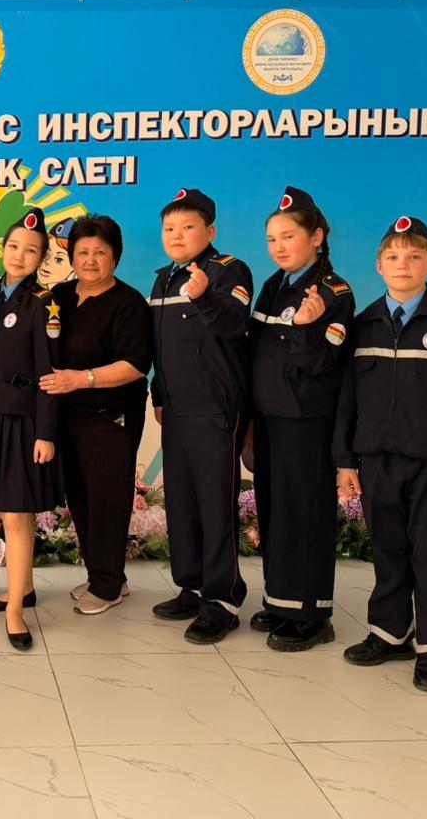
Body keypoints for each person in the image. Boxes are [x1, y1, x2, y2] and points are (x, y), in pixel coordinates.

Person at [335, 216, 427, 692]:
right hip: (377, 461)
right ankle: (390, 632)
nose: (404, 265)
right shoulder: (363, 326)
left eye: (414, 257)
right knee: (387, 551)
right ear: (378, 265)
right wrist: (346, 461)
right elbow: (347, 401)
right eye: (394, 257)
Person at [248, 187, 355, 651]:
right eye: (272, 239)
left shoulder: (332, 292)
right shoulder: (276, 285)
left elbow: (323, 364)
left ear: (317, 237)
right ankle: (281, 600)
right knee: (276, 512)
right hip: (270, 418)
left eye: (288, 236)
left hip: (307, 421)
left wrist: (307, 328)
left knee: (305, 515)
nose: (278, 246)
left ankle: (311, 614)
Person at [148, 188, 253, 645]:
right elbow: (161, 347)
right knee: (183, 503)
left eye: (187, 227)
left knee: (214, 504)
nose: (177, 235)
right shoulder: (162, 280)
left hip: (216, 408)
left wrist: (205, 296)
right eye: (169, 228)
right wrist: (158, 394)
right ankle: (190, 587)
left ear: (209, 231)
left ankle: (223, 599)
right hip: (175, 408)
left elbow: (234, 325)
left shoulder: (228, 270)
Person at [37, 215, 151, 616]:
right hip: (69, 417)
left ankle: (108, 585)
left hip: (110, 417)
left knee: (107, 499)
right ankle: (103, 574)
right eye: (82, 252)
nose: (90, 260)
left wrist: (81, 379)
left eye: (99, 252)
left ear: (115, 257)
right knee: (81, 498)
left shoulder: (128, 303)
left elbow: (135, 365)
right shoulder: (60, 296)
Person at [0, 207, 63, 650]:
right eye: (13, 246)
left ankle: (15, 611)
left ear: (41, 259)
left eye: (31, 250)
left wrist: (45, 432)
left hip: (25, 421)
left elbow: (49, 374)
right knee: (14, 512)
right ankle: (22, 588)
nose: (18, 255)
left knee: (15, 513)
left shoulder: (45, 304)